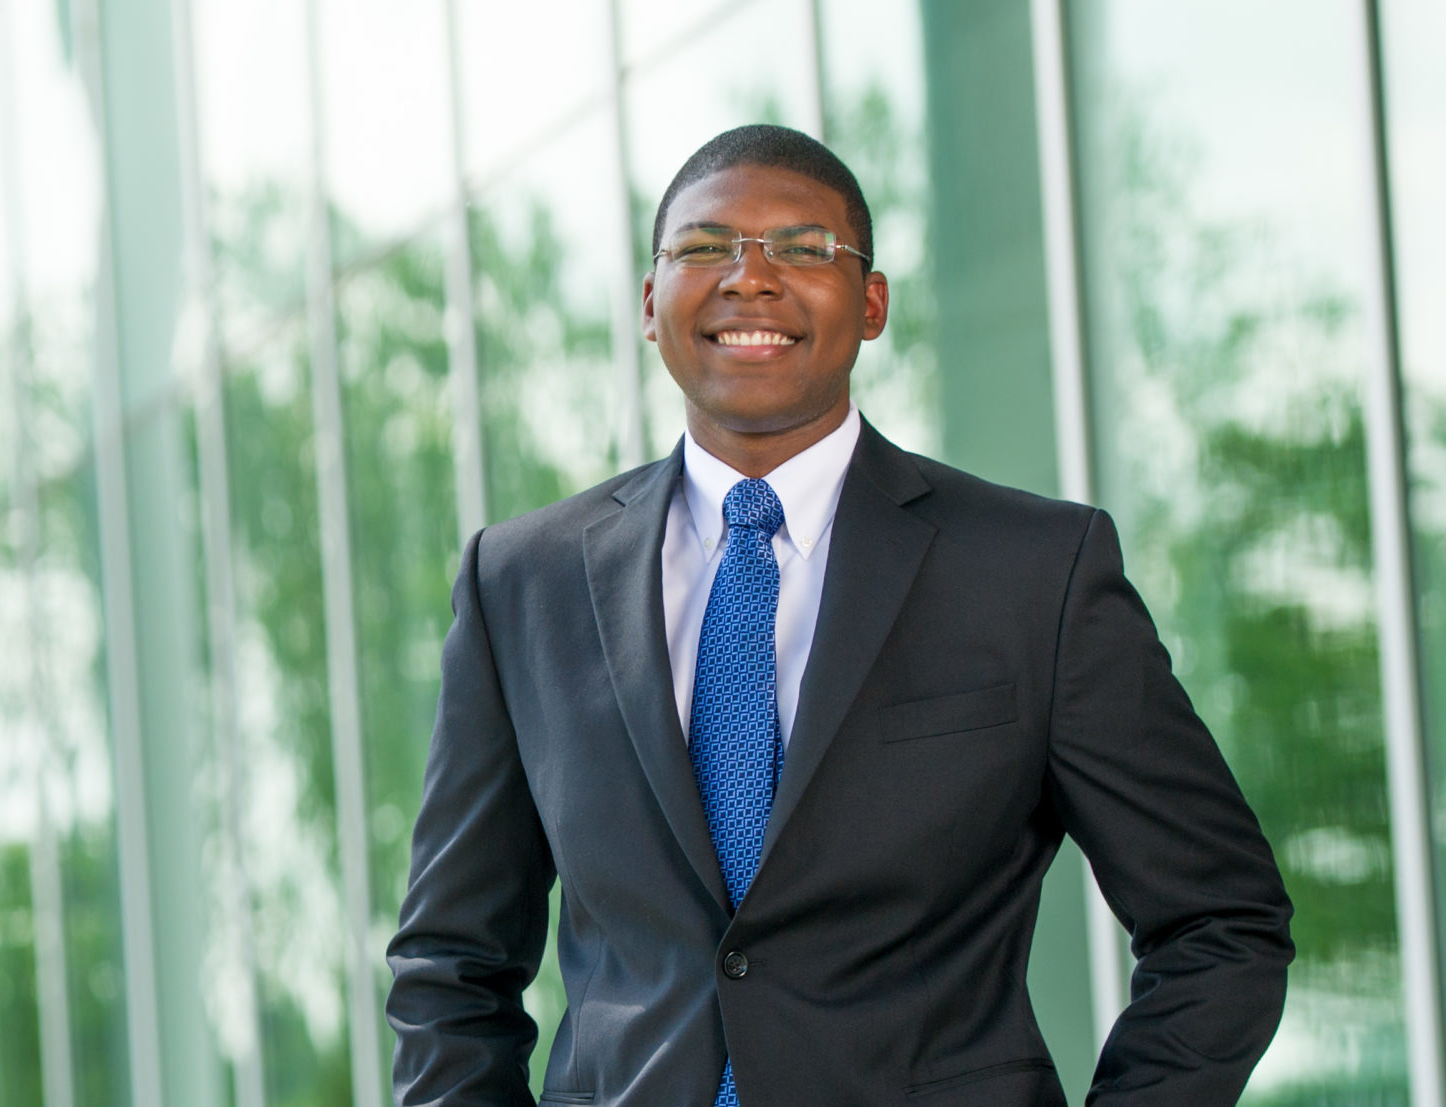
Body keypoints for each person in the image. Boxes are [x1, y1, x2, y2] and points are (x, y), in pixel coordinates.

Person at [383, 124, 1293, 1106]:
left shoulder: (1033, 575)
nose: (750, 278)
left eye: (803, 248)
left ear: (870, 304)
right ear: (651, 305)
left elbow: (1219, 922)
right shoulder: (521, 582)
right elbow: (449, 967)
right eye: (703, 247)